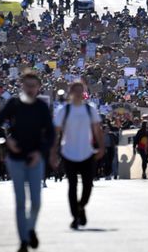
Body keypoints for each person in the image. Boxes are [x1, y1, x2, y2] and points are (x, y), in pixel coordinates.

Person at [0, 70, 55, 252]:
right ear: (22, 86)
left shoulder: (42, 108)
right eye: (27, 85)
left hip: (35, 158)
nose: (30, 89)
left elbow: (51, 134)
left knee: (36, 202)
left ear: (38, 88)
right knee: (21, 202)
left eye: (33, 86)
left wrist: (41, 153)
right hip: (16, 159)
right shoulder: (13, 104)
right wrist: (6, 141)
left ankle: (30, 229)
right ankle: (23, 241)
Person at [52, 82, 105, 230]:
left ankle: (81, 207)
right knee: (72, 186)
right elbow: (56, 132)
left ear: (84, 92)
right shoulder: (64, 110)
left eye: (80, 89)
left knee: (88, 185)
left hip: (87, 153)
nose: (77, 92)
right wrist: (52, 152)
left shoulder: (90, 110)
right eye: (74, 90)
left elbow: (97, 130)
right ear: (70, 92)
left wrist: (101, 147)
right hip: (68, 153)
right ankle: (75, 216)